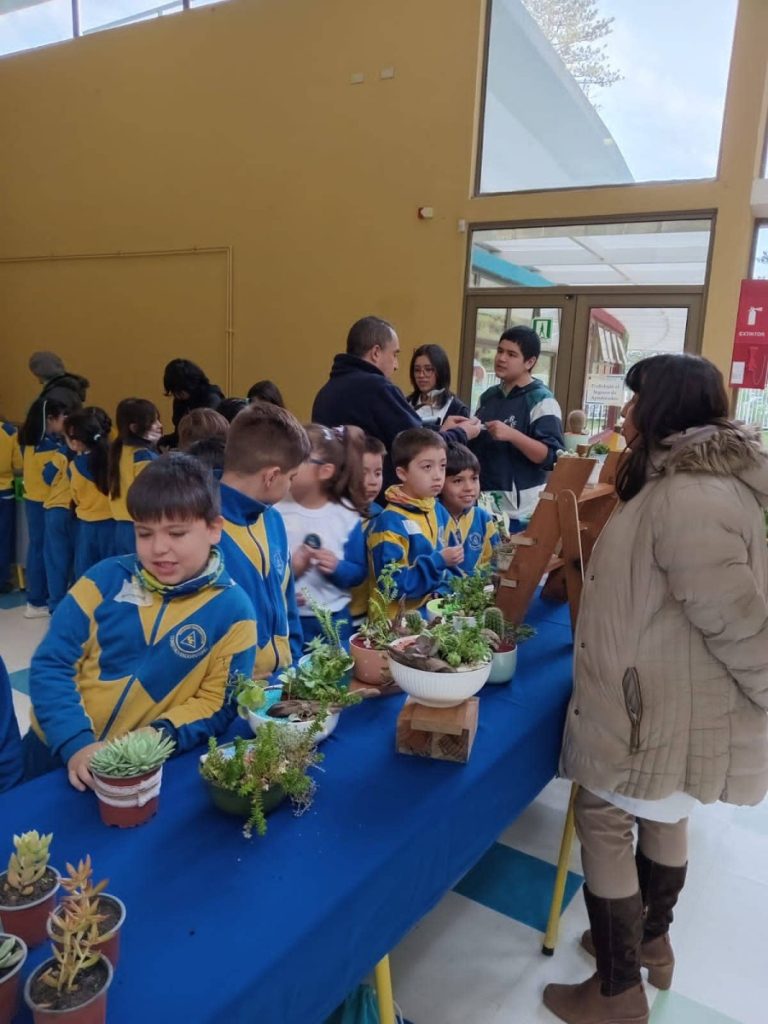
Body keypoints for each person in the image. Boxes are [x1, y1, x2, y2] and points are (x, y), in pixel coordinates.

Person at [543, 354, 768, 1024]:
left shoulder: (690, 495)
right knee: (666, 813)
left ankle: (616, 990)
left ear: (666, 408)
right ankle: (649, 942)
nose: (627, 412)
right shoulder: (690, 478)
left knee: (605, 816)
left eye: (636, 399)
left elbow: (736, 617)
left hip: (658, 703)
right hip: (672, 693)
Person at [23, 454, 257, 790]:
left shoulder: (234, 612)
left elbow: (216, 703)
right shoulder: (102, 580)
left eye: (177, 533)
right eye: (144, 533)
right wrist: (75, 742)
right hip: (51, 747)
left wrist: (148, 740)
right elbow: (52, 664)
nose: (159, 548)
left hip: (135, 765)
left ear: (214, 529)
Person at [312, 316, 481, 485]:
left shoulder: (325, 392)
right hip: (374, 496)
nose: (396, 365)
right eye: (394, 354)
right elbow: (418, 446)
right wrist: (460, 433)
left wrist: (439, 430)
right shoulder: (378, 388)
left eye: (429, 370)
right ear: (376, 353)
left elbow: (396, 431)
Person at [219, 402, 310, 681]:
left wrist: (293, 661)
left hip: (281, 680)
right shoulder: (202, 529)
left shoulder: (273, 520)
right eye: (292, 477)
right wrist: (232, 683)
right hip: (234, 690)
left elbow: (287, 601)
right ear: (271, 476)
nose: (291, 485)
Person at [277, 424, 368, 647]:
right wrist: (288, 578)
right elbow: (263, 572)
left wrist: (337, 568)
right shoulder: (275, 509)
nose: (287, 463)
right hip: (289, 620)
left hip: (335, 619)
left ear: (325, 471)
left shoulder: (346, 514)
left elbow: (359, 572)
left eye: (299, 458)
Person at [470, 325, 564, 528]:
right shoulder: (488, 397)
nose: (501, 358)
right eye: (500, 351)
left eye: (511, 354)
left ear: (530, 362)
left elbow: (551, 456)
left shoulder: (542, 400)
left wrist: (512, 435)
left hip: (521, 513)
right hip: (483, 505)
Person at [367, 428, 463, 616]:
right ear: (402, 473)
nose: (438, 475)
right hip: (394, 623)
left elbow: (453, 563)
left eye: (442, 466)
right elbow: (392, 585)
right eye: (427, 467)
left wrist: (442, 591)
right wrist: (437, 562)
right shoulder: (389, 522)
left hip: (432, 614)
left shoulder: (438, 509)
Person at [19, 398, 68, 618]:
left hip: (32, 500)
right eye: (63, 416)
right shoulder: (51, 448)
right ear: (50, 419)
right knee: (48, 553)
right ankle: (39, 599)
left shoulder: (30, 442)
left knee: (37, 548)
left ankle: (36, 598)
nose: (66, 420)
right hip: (46, 503)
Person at [65, 408, 114, 577]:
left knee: (86, 574)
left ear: (75, 442)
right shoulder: (114, 460)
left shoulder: (75, 466)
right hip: (112, 523)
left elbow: (76, 496)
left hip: (87, 526)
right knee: (111, 572)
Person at [109, 398, 161, 556]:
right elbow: (153, 491)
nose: (159, 425)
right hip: (141, 524)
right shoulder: (143, 455)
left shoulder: (118, 450)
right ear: (134, 428)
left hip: (120, 523)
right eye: (153, 421)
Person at [439, 442, 498, 575]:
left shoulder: (483, 519)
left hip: (477, 587)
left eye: (474, 478)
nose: (469, 488)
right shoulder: (432, 517)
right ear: (439, 482)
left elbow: (494, 563)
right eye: (458, 481)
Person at [349, 435, 386, 626]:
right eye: (364, 473)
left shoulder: (382, 516)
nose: (373, 482)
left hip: (370, 614)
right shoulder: (332, 517)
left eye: (378, 473)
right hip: (336, 616)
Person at [41, 415, 75, 613]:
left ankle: (56, 605)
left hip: (57, 509)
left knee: (56, 560)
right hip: (80, 513)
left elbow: (47, 476)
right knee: (78, 562)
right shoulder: (99, 454)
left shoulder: (62, 453)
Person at [161, 358, 225, 448]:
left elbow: (207, 431)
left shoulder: (211, 398)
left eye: (179, 391)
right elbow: (179, 433)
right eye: (174, 392)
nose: (177, 395)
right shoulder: (180, 401)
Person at [407, 344, 469, 427]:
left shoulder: (458, 410)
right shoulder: (406, 404)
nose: (421, 375)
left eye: (428, 369)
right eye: (417, 370)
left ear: (441, 371)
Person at [0, 414, 22, 592]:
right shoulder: (9, 431)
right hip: (5, 491)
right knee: (3, 538)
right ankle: (2, 580)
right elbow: (19, 465)